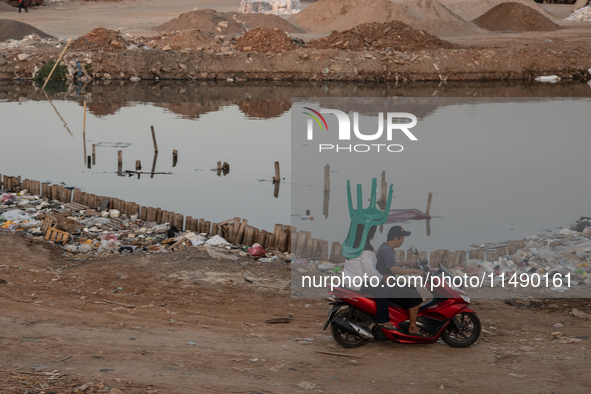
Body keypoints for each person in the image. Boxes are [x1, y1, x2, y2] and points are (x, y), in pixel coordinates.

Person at [376, 226, 428, 336]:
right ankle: (412, 327)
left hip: (388, 283)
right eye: (402, 239)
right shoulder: (387, 251)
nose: (403, 241)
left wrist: (407, 263)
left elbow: (392, 264)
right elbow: (394, 269)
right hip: (386, 286)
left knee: (411, 287)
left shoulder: (386, 248)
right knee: (416, 297)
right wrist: (415, 271)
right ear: (395, 239)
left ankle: (404, 319)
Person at [342, 224, 394, 331]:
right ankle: (383, 321)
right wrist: (382, 278)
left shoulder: (352, 247)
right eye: (372, 233)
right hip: (359, 283)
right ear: (367, 234)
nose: (373, 236)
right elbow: (370, 271)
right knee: (383, 289)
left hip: (350, 280)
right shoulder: (365, 250)